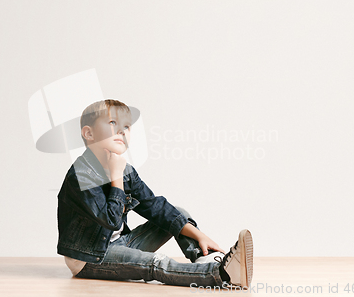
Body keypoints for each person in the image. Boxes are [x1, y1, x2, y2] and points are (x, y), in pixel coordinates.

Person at [57, 99, 253, 288]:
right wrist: (116, 177)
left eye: (126, 126)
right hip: (89, 257)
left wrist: (198, 234)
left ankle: (207, 257)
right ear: (89, 133)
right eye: (112, 122)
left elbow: (153, 206)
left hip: (120, 244)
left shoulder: (125, 171)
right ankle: (222, 274)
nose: (121, 130)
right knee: (155, 263)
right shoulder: (81, 175)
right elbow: (111, 220)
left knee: (178, 212)